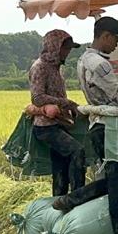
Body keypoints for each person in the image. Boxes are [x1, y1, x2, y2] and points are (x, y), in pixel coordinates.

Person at [55, 16, 118, 234]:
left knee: (114, 179)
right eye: (115, 41)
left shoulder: (83, 60)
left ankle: (72, 198)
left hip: (96, 126)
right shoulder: (100, 64)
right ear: (105, 36)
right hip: (109, 128)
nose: (115, 46)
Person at [28, 29, 82, 197]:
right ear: (54, 47)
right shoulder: (40, 67)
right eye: (65, 48)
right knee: (77, 151)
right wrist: (67, 103)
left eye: (69, 49)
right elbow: (37, 98)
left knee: (61, 166)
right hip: (46, 126)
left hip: (59, 123)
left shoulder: (56, 68)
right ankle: (78, 197)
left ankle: (59, 199)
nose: (67, 52)